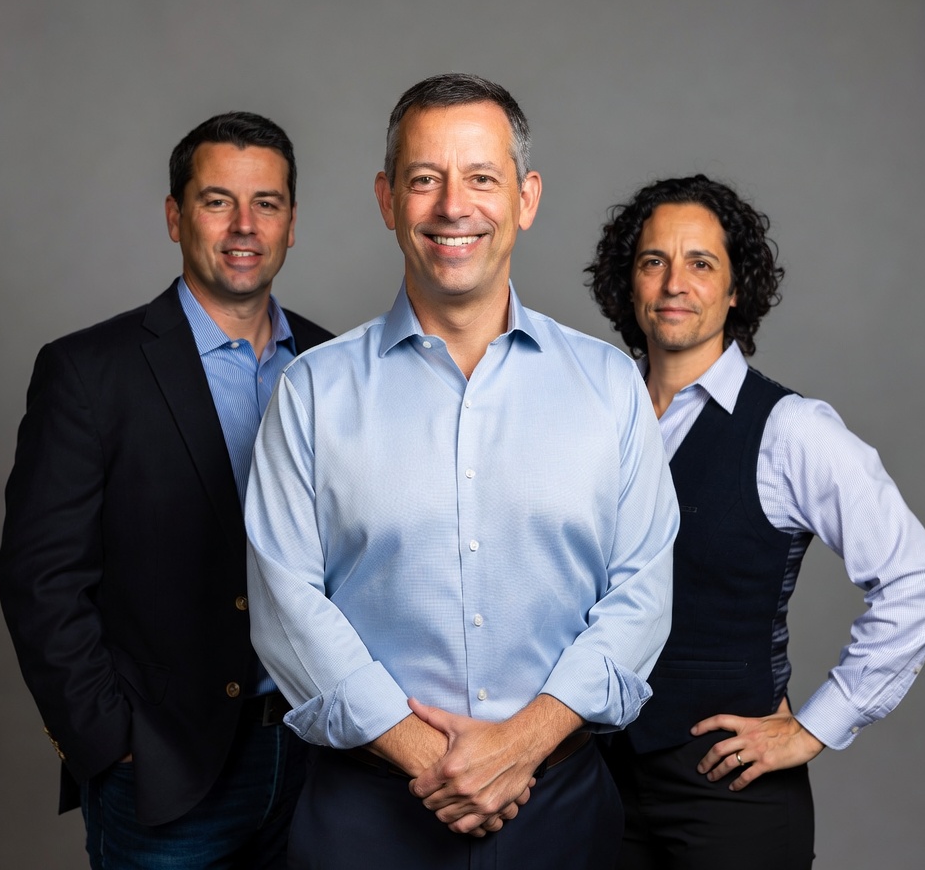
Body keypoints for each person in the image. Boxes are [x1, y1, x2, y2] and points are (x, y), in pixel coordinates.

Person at [244, 73, 679, 870]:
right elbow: (285, 606)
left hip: (560, 812)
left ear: (526, 197)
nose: (453, 207)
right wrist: (431, 758)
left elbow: (641, 595)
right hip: (363, 818)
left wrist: (522, 744)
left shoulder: (610, 388)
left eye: (482, 177)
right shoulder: (311, 391)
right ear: (387, 200)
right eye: (424, 180)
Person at [0, 111, 333, 869]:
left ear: (291, 223)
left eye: (267, 203)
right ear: (176, 217)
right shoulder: (88, 372)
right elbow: (40, 581)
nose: (244, 225)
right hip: (165, 772)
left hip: (317, 758)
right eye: (218, 201)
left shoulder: (331, 363)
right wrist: (107, 743)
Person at [586, 173, 925, 869]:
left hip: (730, 794)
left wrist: (816, 726)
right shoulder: (595, 414)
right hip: (593, 783)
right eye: (653, 261)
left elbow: (916, 579)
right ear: (627, 282)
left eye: (701, 263)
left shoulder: (792, 431)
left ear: (735, 287)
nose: (673, 283)